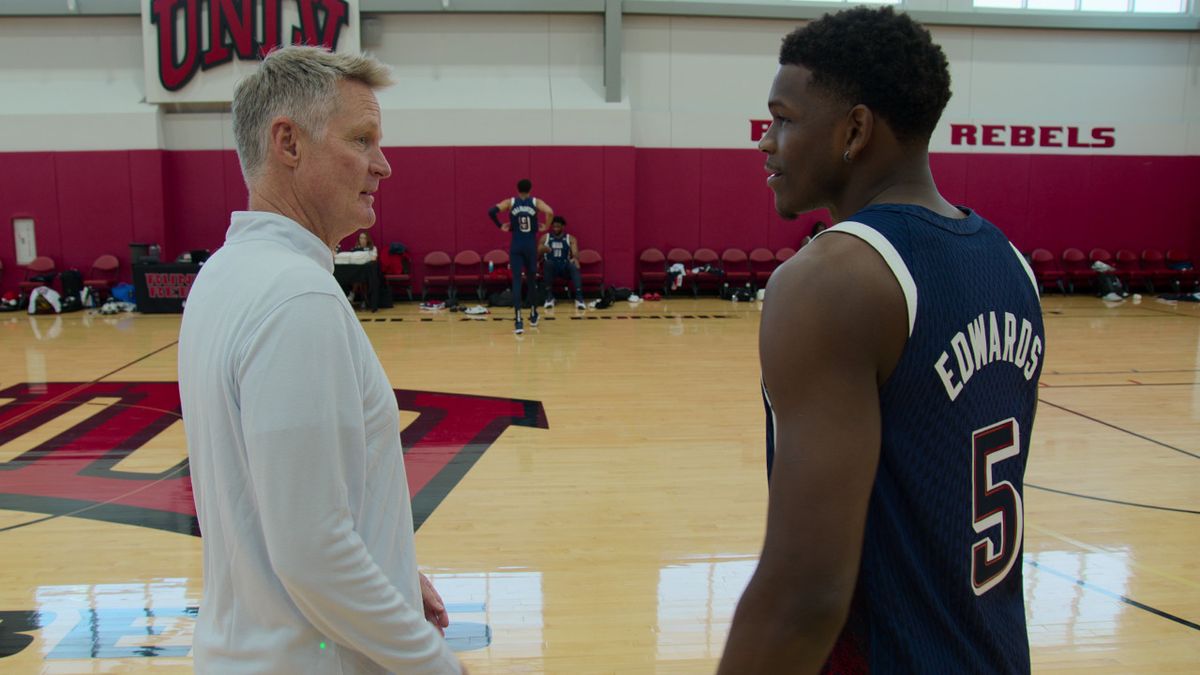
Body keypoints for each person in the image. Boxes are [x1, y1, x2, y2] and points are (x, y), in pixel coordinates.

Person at [718, 8, 1043, 674]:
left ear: (855, 130)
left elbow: (804, 595)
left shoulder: (830, 281)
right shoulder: (1012, 263)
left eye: (782, 118)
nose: (765, 141)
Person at [177, 46, 467, 675]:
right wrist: (436, 666)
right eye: (362, 140)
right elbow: (311, 550)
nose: (383, 165)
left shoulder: (223, 274)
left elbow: (279, 501)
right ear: (289, 143)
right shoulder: (297, 296)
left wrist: (387, 565)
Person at [489, 178, 553, 334]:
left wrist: (500, 226)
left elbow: (491, 211)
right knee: (531, 281)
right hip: (530, 247)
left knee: (517, 282)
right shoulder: (535, 202)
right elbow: (550, 212)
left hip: (516, 246)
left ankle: (518, 321)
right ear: (530, 189)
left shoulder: (510, 202)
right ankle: (533, 314)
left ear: (517, 189)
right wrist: (546, 225)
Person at [538, 216, 587, 310]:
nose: (556, 229)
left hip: (564, 266)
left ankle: (579, 298)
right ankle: (549, 297)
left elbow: (575, 253)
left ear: (563, 227)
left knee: (574, 265)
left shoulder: (570, 238)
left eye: (558, 227)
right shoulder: (546, 237)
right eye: (554, 226)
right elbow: (538, 254)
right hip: (552, 267)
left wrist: (575, 259)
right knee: (548, 263)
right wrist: (542, 249)